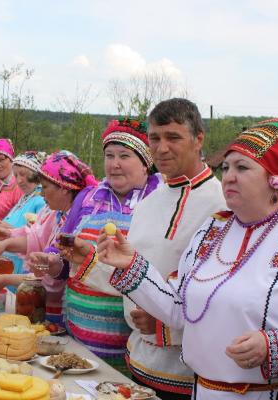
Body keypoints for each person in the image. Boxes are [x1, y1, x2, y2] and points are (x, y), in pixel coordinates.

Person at [97, 118, 278, 399]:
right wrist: (131, 264)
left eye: (242, 167)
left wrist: (276, 344)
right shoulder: (213, 229)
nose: (229, 176)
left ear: (276, 179)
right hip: (203, 391)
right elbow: (178, 309)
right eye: (226, 167)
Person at [64, 99, 225, 398]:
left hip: (186, 376)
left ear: (198, 138)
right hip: (136, 365)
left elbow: (227, 299)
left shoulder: (222, 206)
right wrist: (89, 262)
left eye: (173, 137)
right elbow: (136, 279)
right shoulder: (148, 203)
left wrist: (167, 325)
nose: (161, 148)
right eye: (155, 138)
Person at [43, 118, 162, 375]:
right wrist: (53, 262)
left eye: (124, 155)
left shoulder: (160, 199)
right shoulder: (88, 197)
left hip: (133, 341)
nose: (114, 163)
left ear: (146, 162)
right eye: (109, 155)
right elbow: (62, 249)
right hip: (79, 334)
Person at [0, 151, 88, 300]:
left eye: (45, 187)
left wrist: (5, 279)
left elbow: (53, 279)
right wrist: (5, 243)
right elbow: (35, 238)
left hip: (59, 305)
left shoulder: (78, 222)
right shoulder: (57, 214)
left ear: (64, 188)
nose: (41, 194)